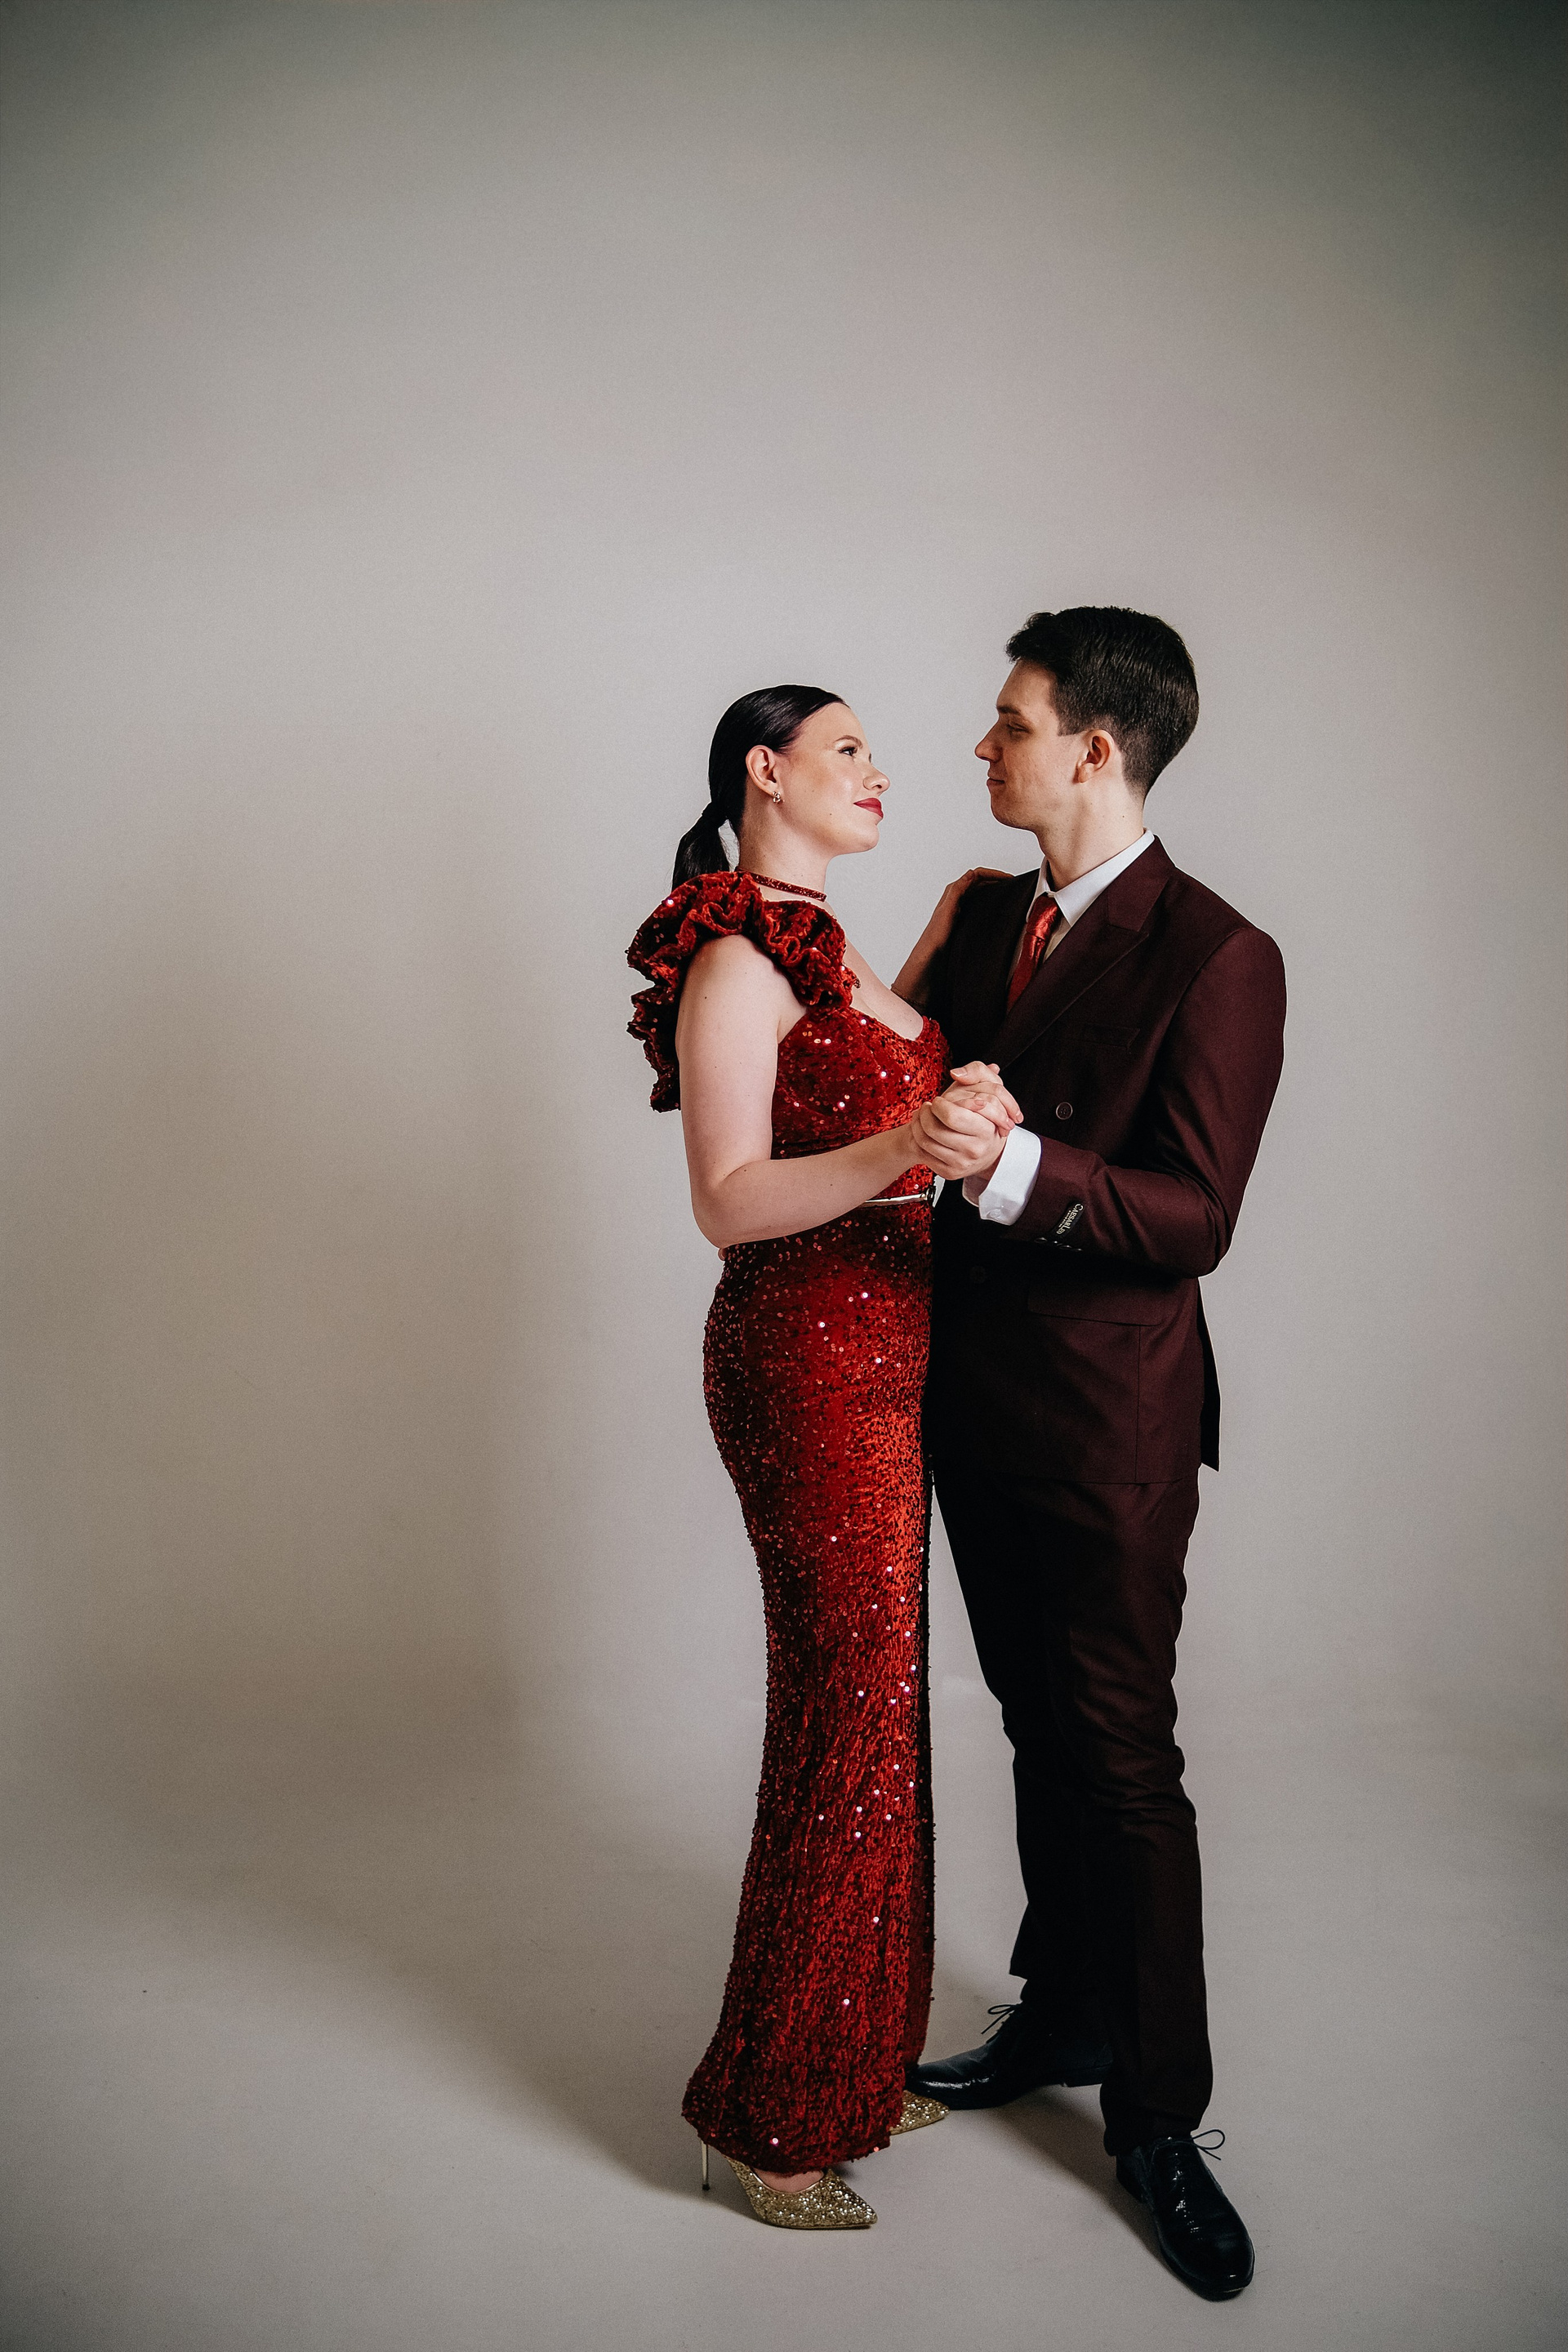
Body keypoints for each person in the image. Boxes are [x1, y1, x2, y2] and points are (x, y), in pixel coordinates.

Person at [907, 608, 1286, 2301]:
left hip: (1110, 1427)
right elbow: (891, 1077)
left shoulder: (1220, 954)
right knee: (1033, 1721)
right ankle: (1062, 2010)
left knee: (1123, 1756)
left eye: (1010, 723)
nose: (982, 748)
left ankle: (1159, 2118)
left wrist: (1013, 1169)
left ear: (1096, 749)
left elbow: (1196, 1216)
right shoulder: (988, 914)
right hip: (967, 1399)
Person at [626, 685, 1015, 2230]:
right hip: (802, 1360)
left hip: (894, 1356)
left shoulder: (834, 949)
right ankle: (765, 2115)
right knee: (841, 1710)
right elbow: (728, 1198)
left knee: (883, 1706)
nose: (879, 771)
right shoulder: (734, 955)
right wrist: (909, 1149)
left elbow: (863, 1066)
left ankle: (853, 2061)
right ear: (763, 771)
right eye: (847, 749)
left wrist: (947, 999)